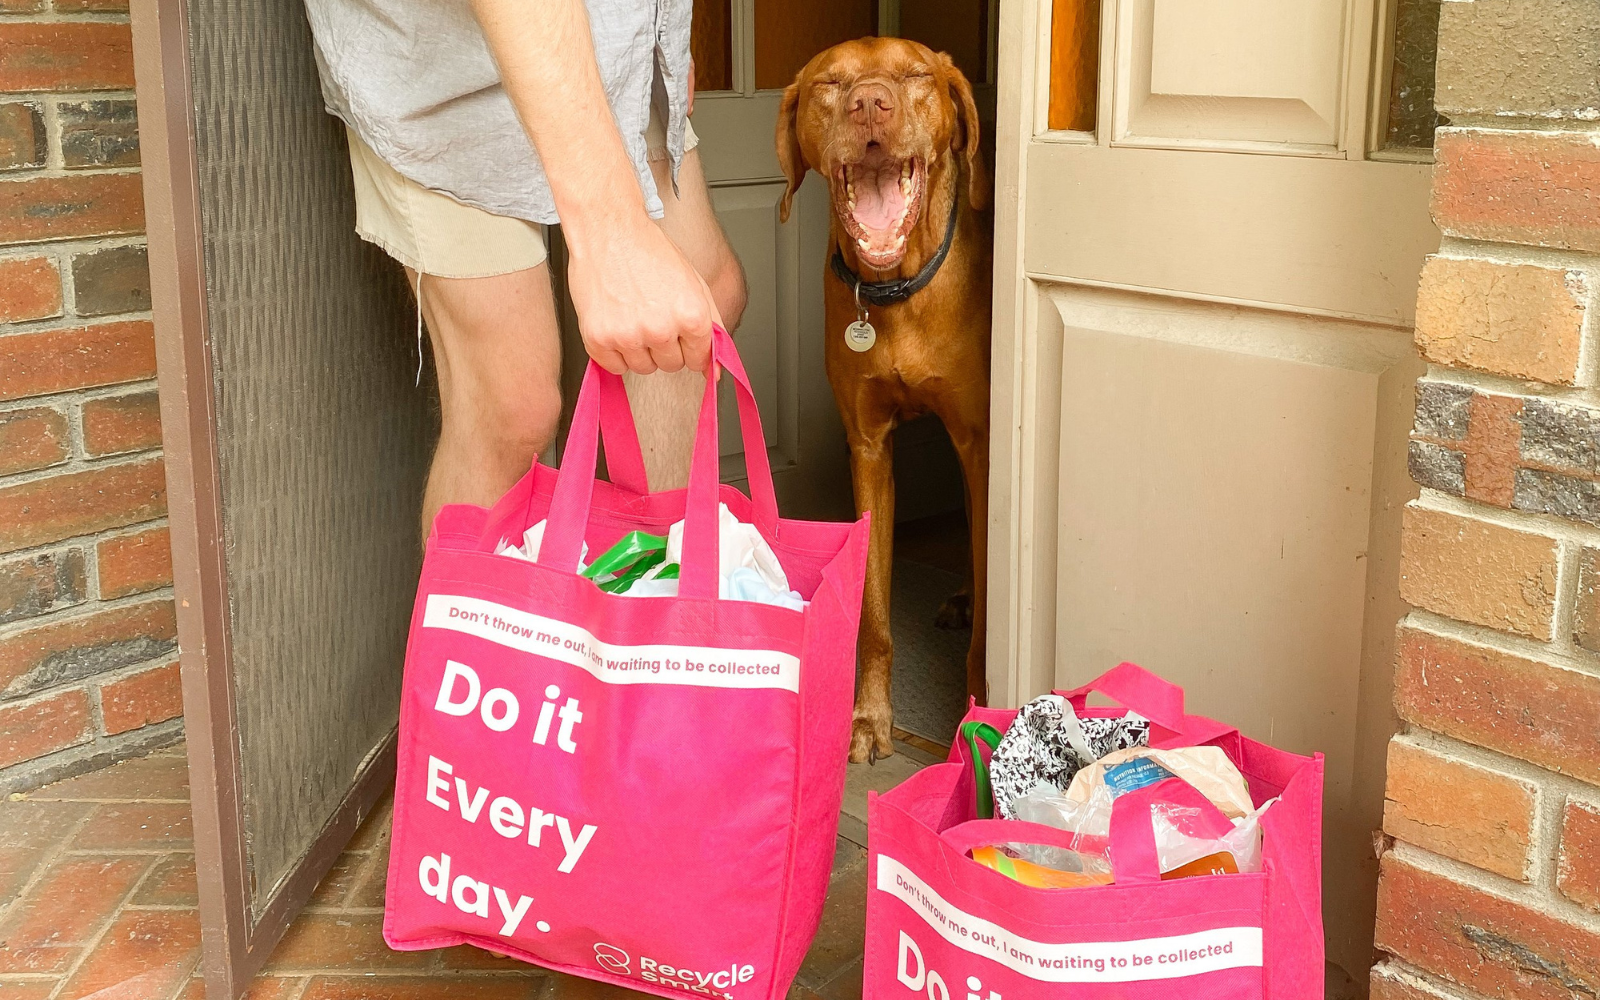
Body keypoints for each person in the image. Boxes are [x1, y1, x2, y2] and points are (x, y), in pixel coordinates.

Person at [301, 0, 748, 532]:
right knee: (511, 405)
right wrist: (612, 233)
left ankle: (653, 592)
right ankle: (481, 615)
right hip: (447, 71)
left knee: (702, 306)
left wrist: (665, 25)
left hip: (615, 43)